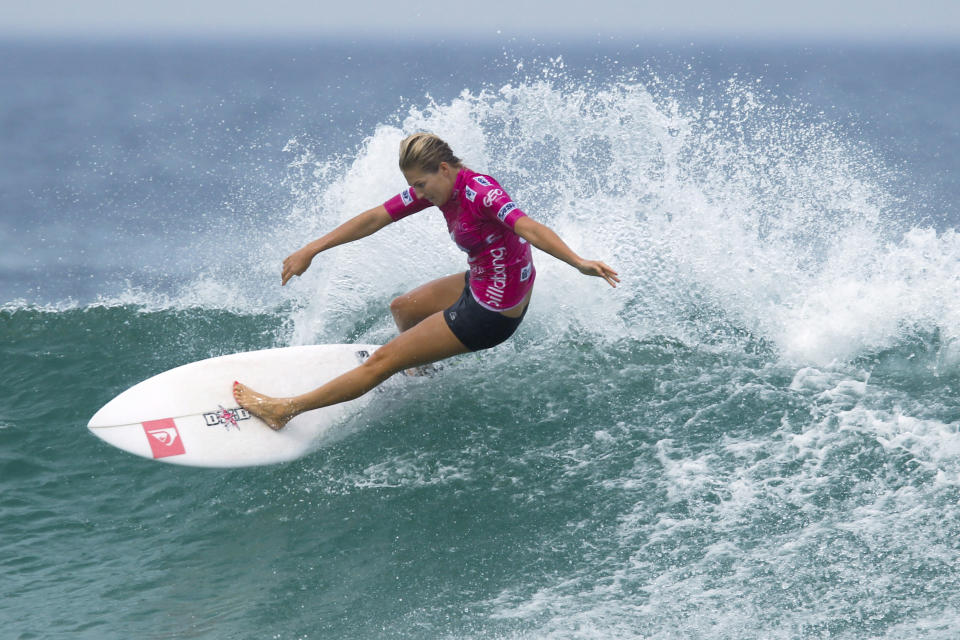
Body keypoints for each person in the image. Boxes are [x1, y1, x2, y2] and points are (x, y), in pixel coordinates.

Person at [233, 133, 619, 429]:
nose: (417, 193)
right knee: (402, 308)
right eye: (413, 185)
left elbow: (529, 227)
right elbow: (374, 218)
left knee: (381, 360)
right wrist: (312, 249)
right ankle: (423, 370)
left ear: (444, 169)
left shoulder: (481, 193)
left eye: (420, 183)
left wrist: (578, 261)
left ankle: (284, 410)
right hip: (483, 281)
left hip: (492, 313)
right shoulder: (437, 191)